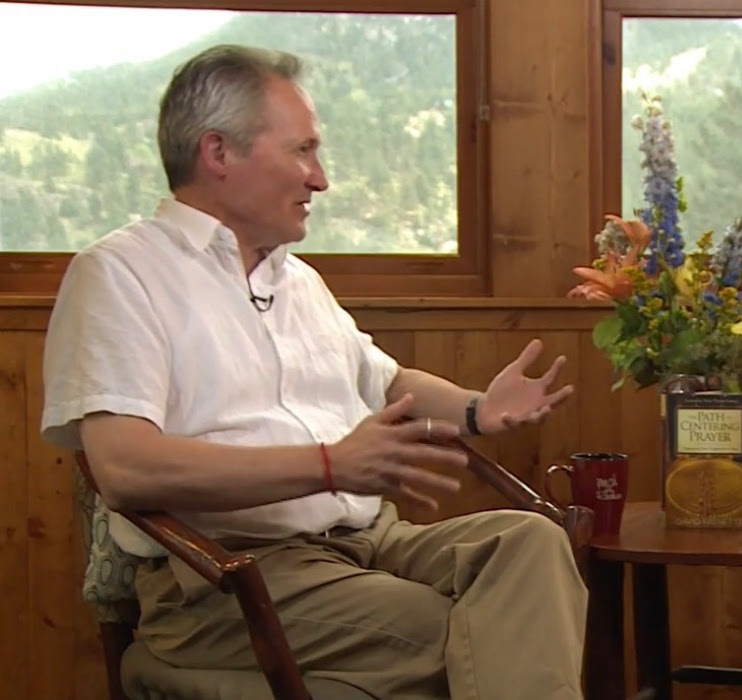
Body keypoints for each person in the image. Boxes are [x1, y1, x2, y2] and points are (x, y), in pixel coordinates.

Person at [40, 44, 586, 700]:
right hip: (227, 575)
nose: (320, 178)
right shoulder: (120, 275)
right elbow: (126, 471)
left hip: (370, 540)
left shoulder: (296, 280)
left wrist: (476, 410)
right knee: (465, 631)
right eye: (302, 151)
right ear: (219, 154)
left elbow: (384, 383)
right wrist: (330, 465)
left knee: (529, 544)